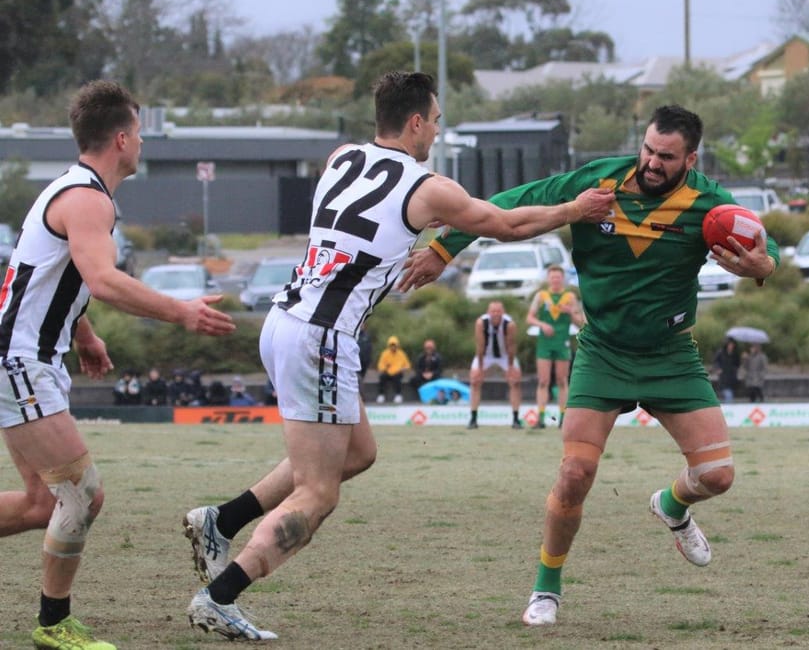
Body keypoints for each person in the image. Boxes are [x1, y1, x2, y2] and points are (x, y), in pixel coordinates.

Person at [182, 70, 613, 641]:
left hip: (286, 320)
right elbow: (506, 225)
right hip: (321, 337)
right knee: (319, 491)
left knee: (357, 452)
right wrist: (573, 211)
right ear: (415, 122)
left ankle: (223, 520)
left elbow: (372, 223)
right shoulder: (426, 186)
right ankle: (220, 596)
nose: (436, 131)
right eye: (435, 121)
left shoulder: (340, 158)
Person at [399, 103, 779, 626]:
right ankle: (546, 590)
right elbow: (513, 203)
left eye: (666, 156)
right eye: (647, 149)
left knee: (717, 476)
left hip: (671, 354)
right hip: (603, 351)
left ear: (690, 158)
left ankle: (670, 505)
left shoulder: (709, 204)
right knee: (575, 472)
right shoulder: (598, 182)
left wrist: (766, 263)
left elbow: (761, 239)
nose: (651, 162)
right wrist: (445, 248)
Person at [0, 79, 234, 650]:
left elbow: (53, 273)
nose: (144, 144)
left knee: (41, 503)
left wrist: (83, 333)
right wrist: (180, 312)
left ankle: (54, 622)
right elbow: (102, 279)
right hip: (20, 361)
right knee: (83, 493)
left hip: (30, 358)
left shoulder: (75, 191)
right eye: (141, 134)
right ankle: (54, 625)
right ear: (122, 138)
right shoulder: (88, 198)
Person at [526, 265, 583, 428]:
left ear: (562, 279)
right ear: (548, 279)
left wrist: (571, 312)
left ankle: (564, 418)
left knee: (562, 380)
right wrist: (542, 324)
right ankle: (541, 418)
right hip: (545, 342)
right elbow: (529, 318)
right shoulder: (542, 296)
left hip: (562, 342)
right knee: (543, 380)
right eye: (552, 277)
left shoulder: (570, 297)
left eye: (558, 277)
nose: (555, 280)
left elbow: (581, 323)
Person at [468, 301, 524, 430]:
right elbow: (480, 346)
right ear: (488, 312)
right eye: (493, 311)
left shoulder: (509, 324)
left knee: (515, 381)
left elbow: (511, 346)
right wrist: (481, 368)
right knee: (475, 380)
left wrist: (510, 367)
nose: (496, 314)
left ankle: (516, 418)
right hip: (486, 354)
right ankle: (473, 418)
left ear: (503, 312)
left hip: (505, 355)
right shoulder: (481, 323)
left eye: (498, 311)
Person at [376, 335, 411, 404]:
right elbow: (380, 365)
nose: (393, 347)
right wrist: (384, 368)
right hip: (387, 372)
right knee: (382, 377)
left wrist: (403, 369)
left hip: (397, 372)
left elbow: (408, 365)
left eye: (394, 345)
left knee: (397, 378)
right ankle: (381, 395)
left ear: (397, 345)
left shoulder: (401, 354)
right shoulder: (385, 353)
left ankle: (398, 395)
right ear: (388, 345)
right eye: (391, 345)